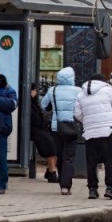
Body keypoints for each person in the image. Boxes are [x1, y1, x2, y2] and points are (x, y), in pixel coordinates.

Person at [75, 72, 112, 200]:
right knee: (109, 161)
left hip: (90, 131)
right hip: (107, 129)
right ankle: (110, 188)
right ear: (102, 81)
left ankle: (92, 189)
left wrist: (88, 121)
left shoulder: (80, 94)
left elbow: (77, 114)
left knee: (91, 162)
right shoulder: (107, 90)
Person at [40, 67, 81, 196]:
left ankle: (61, 183)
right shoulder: (78, 91)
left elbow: (43, 105)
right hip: (72, 127)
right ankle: (66, 186)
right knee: (69, 157)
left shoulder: (53, 90)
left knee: (60, 156)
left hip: (56, 128)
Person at [29, 82, 59, 183]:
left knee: (54, 143)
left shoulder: (33, 102)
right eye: (33, 90)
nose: (35, 92)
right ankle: (52, 171)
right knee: (49, 143)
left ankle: (51, 170)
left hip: (39, 128)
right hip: (32, 129)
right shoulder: (27, 102)